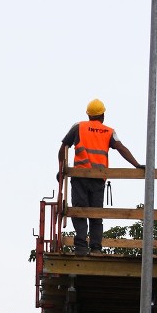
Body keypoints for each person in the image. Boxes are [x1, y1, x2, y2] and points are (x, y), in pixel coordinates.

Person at [59, 99, 143, 255]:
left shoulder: (79, 127)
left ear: (88, 115)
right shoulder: (109, 131)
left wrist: (61, 168)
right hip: (98, 180)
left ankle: (81, 247)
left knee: (79, 211)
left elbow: (64, 146)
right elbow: (121, 148)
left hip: (80, 177)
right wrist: (136, 165)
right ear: (103, 115)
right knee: (96, 214)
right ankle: (96, 248)